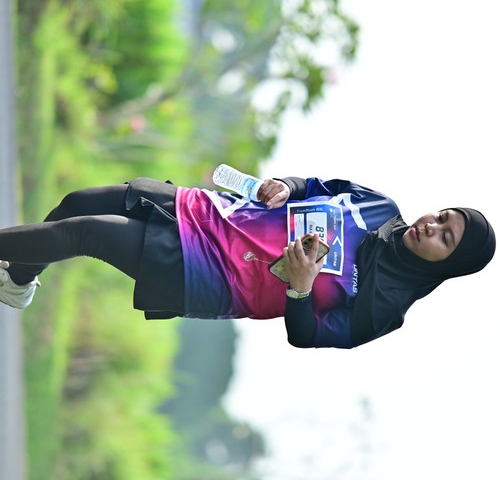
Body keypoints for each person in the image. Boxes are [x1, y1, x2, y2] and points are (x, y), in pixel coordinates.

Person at [0, 175, 495, 348]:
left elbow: (307, 336)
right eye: (442, 216)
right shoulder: (380, 207)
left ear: (445, 264)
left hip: (208, 274)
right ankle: (18, 281)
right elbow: (314, 186)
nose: (431, 226)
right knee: (77, 204)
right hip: (208, 211)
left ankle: (16, 278)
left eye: (445, 237)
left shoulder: (385, 307)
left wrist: (301, 287)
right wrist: (285, 186)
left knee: (83, 233)